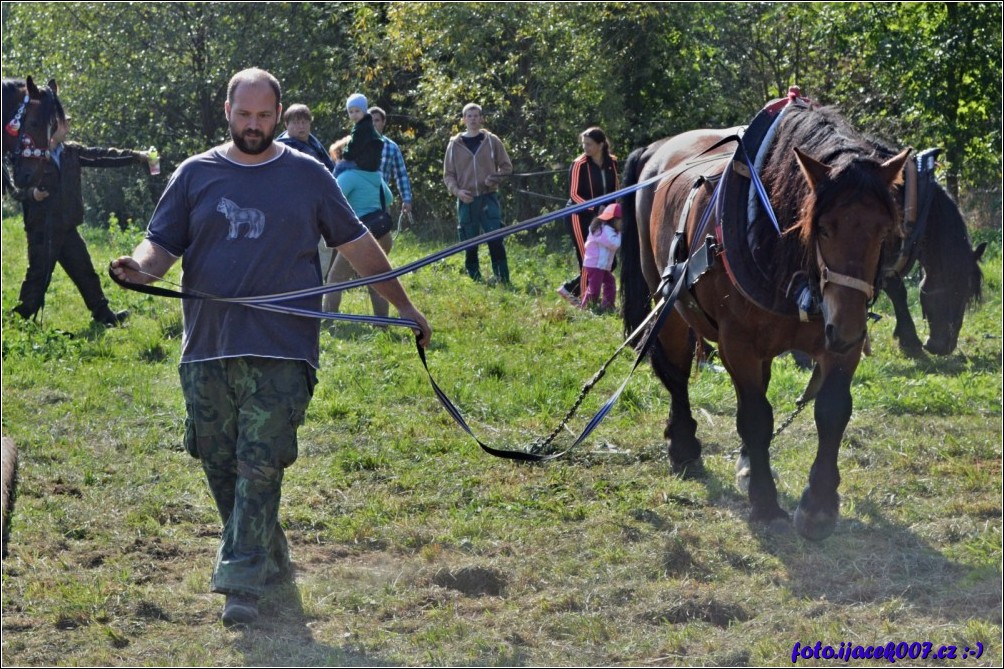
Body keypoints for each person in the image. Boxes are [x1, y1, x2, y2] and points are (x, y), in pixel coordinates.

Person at [110, 68, 431, 626]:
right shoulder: (195, 174)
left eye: (263, 116)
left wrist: (404, 305)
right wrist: (137, 268)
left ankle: (240, 585)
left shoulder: (306, 175)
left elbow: (356, 244)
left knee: (259, 462)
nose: (253, 125)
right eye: (244, 115)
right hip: (208, 346)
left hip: (284, 348)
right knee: (221, 465)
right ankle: (271, 559)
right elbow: (161, 245)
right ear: (227, 111)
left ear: (279, 116)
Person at [11, 114, 152, 326]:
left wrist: (138, 156)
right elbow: (14, 189)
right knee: (38, 277)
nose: (69, 124)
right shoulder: (31, 154)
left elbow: (104, 156)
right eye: (65, 121)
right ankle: (18, 323)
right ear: (52, 126)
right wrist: (32, 194)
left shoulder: (72, 152)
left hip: (67, 227)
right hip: (43, 230)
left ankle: (104, 316)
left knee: (84, 271)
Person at [323, 133, 396, 318]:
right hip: (383, 234)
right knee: (377, 279)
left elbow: (329, 199)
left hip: (359, 237)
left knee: (336, 278)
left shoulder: (348, 176)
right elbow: (389, 198)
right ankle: (382, 323)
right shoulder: (375, 175)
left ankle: (329, 319)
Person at [443, 102, 513, 284]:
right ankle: (474, 279)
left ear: (482, 119)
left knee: (495, 238)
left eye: (476, 116)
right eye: (469, 116)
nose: (473, 119)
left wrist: (495, 178)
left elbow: (507, 167)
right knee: (469, 241)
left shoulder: (491, 140)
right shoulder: (454, 144)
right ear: (464, 119)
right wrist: (457, 192)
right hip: (466, 199)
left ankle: (502, 278)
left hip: (488, 196)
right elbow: (448, 175)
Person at [557, 127, 619, 305]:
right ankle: (586, 302)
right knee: (588, 259)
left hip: (604, 217)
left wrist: (612, 210)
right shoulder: (579, 164)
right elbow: (574, 194)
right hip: (579, 215)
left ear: (601, 145)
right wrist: (595, 208)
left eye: (589, 144)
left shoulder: (612, 162)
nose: (585, 148)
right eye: (584, 144)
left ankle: (570, 289)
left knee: (608, 261)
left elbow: (615, 188)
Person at [368, 105, 413, 215]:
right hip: (359, 200)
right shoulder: (356, 144)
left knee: (383, 230)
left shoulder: (391, 147)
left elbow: (401, 175)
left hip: (381, 200)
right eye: (370, 121)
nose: (373, 123)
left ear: (383, 122)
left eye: (377, 120)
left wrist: (406, 199)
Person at [579, 202, 622, 312]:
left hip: (600, 265)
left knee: (610, 282)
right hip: (595, 265)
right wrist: (622, 234)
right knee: (594, 290)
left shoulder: (609, 230)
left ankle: (607, 306)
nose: (623, 224)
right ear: (614, 220)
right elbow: (614, 244)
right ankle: (585, 309)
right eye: (621, 221)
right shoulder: (603, 230)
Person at [276, 103, 334, 172]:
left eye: (304, 122)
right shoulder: (283, 150)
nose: (301, 126)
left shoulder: (314, 143)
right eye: (296, 123)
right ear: (286, 125)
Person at [336, 93, 383, 175]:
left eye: (357, 111)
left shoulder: (361, 128)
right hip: (373, 165)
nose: (354, 114)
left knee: (340, 166)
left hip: (363, 164)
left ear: (364, 111)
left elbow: (353, 147)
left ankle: (330, 187)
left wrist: (345, 156)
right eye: (351, 112)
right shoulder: (368, 125)